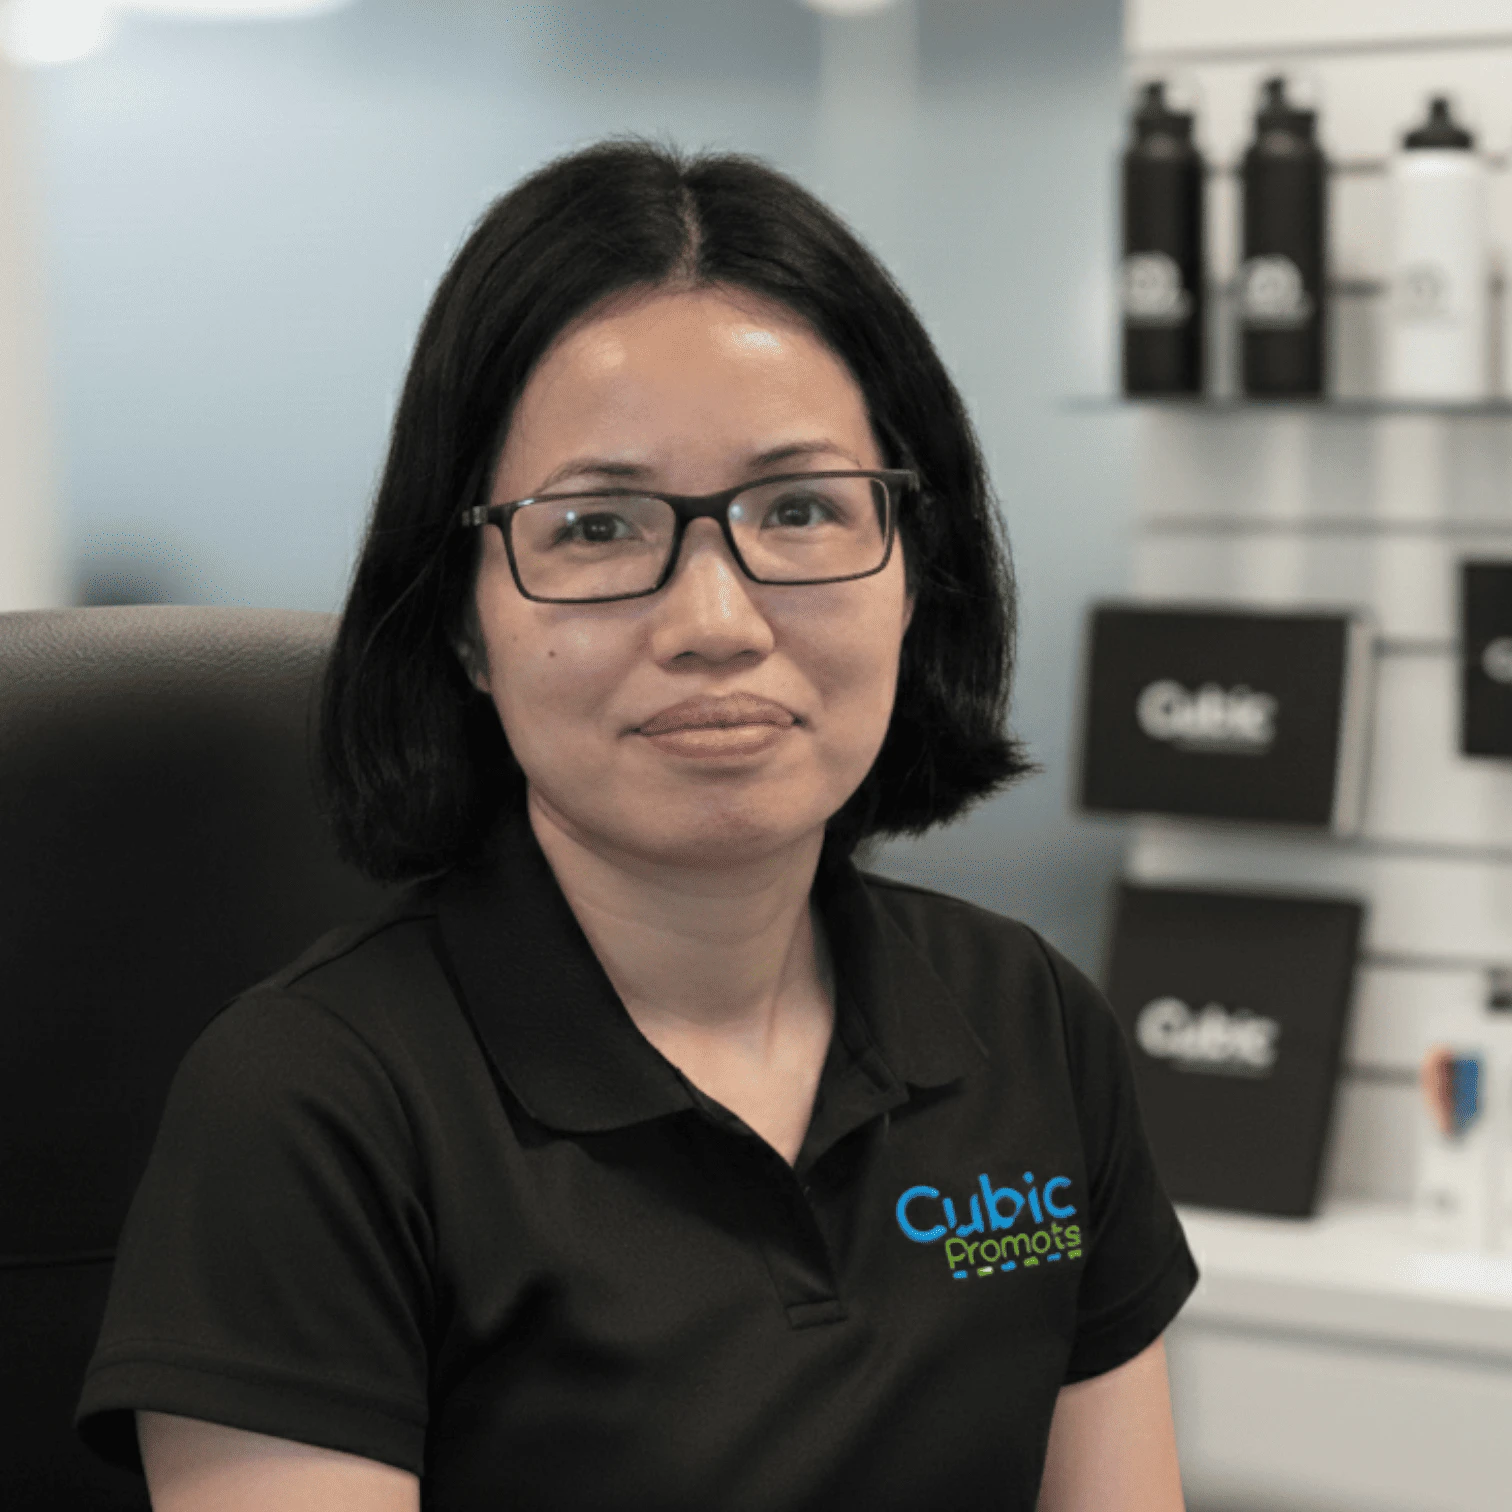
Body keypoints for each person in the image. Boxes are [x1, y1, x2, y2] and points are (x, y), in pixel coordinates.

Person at [76, 139, 1197, 1511]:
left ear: (919, 572)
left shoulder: (1031, 1026)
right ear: (463, 621)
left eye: (799, 509)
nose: (716, 623)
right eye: (600, 527)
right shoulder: (315, 1108)